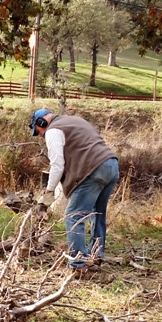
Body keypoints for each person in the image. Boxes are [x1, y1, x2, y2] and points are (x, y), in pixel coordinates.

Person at [30, 108, 120, 269]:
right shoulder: (76, 120)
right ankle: (96, 255)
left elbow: (57, 165)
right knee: (97, 213)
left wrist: (49, 191)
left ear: (41, 122)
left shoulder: (53, 131)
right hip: (111, 165)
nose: (41, 136)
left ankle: (78, 263)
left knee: (74, 216)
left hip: (92, 170)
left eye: (39, 132)